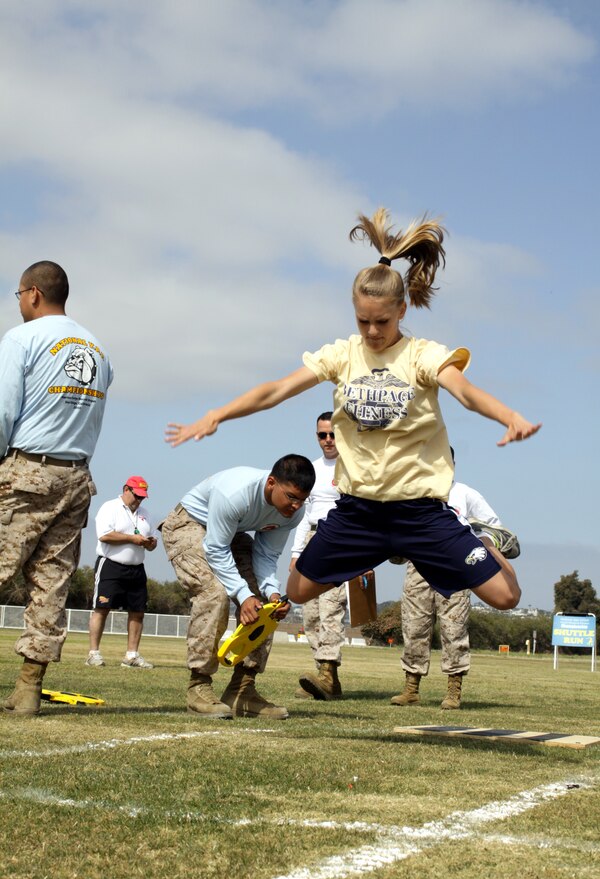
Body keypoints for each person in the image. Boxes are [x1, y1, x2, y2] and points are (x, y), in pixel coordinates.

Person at [165, 208, 540, 629]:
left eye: (382, 321)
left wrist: (508, 416)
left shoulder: (422, 356)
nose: (373, 332)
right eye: (363, 321)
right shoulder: (343, 354)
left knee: (507, 597)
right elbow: (275, 390)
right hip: (359, 512)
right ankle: (384, 547)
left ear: (401, 310)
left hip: (420, 512)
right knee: (296, 590)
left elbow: (465, 392)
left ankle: (484, 538)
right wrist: (218, 414)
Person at [0, 261, 113, 716]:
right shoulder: (99, 349)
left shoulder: (22, 338)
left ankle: (28, 688)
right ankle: (29, 688)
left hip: (28, 469)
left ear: (31, 294)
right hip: (76, 476)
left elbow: (5, 410)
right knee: (51, 581)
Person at [160, 455, 315, 719]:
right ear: (271, 483)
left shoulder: (294, 512)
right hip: (189, 524)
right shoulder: (235, 493)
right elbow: (215, 548)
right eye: (290, 497)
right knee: (214, 594)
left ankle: (242, 690)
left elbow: (266, 556)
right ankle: (199, 687)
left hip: (229, 534)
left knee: (266, 607)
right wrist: (243, 596)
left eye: (302, 499)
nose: (296, 505)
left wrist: (273, 593)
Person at [393, 454, 519, 710]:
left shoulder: (465, 493)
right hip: (418, 566)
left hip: (457, 567)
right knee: (414, 627)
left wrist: (478, 542)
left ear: (451, 464)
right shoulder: (411, 493)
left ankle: (453, 690)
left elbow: (495, 530)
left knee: (454, 629)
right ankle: (411, 688)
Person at [290, 412, 347, 701]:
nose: (327, 440)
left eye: (332, 434)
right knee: (310, 613)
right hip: (312, 540)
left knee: (331, 609)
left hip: (339, 541)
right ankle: (325, 677)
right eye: (322, 435)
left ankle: (327, 670)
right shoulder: (310, 470)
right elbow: (303, 514)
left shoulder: (354, 466)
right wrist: (296, 552)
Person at [87, 476, 158, 670]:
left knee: (138, 611)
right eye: (137, 496)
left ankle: (131, 656)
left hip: (136, 568)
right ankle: (93, 654)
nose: (139, 500)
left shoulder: (146, 514)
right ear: (126, 489)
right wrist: (131, 539)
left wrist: (151, 543)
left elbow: (151, 542)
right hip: (111, 565)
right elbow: (104, 535)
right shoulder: (109, 507)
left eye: (143, 497)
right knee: (102, 608)